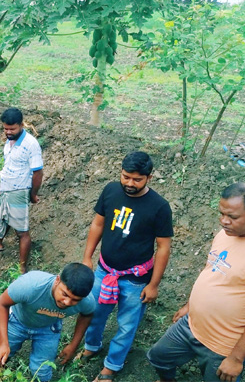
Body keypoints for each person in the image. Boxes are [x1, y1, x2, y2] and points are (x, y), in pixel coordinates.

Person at [147, 183, 245, 382]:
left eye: (232, 217)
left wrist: (236, 358)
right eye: (221, 214)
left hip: (222, 347)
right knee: (158, 357)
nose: (224, 221)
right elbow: (212, 271)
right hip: (191, 325)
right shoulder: (226, 234)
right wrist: (190, 305)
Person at [80, 151, 173, 382]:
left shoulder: (159, 207)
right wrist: (87, 257)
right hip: (104, 270)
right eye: (126, 177)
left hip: (135, 279)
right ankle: (92, 346)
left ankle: (111, 366)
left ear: (149, 178)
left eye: (137, 179)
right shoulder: (111, 190)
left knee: (126, 325)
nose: (130, 183)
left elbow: (163, 247)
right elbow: (98, 224)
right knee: (94, 313)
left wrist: (154, 284)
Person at [0, 263, 96, 382]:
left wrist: (73, 345)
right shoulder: (31, 285)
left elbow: (87, 315)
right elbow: (2, 303)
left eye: (75, 300)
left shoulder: (87, 302)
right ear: (57, 280)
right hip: (18, 321)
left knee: (41, 372)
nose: (67, 302)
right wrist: (3, 343)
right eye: (64, 294)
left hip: (48, 328)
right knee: (0, 357)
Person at [0, 107, 43, 274]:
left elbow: (38, 172)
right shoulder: (10, 141)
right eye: (5, 128)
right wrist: (1, 188)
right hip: (7, 188)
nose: (8, 132)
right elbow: (9, 166)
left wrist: (33, 194)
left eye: (11, 129)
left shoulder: (31, 145)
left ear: (21, 125)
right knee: (1, 217)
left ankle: (22, 268)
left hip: (19, 191)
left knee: (22, 232)